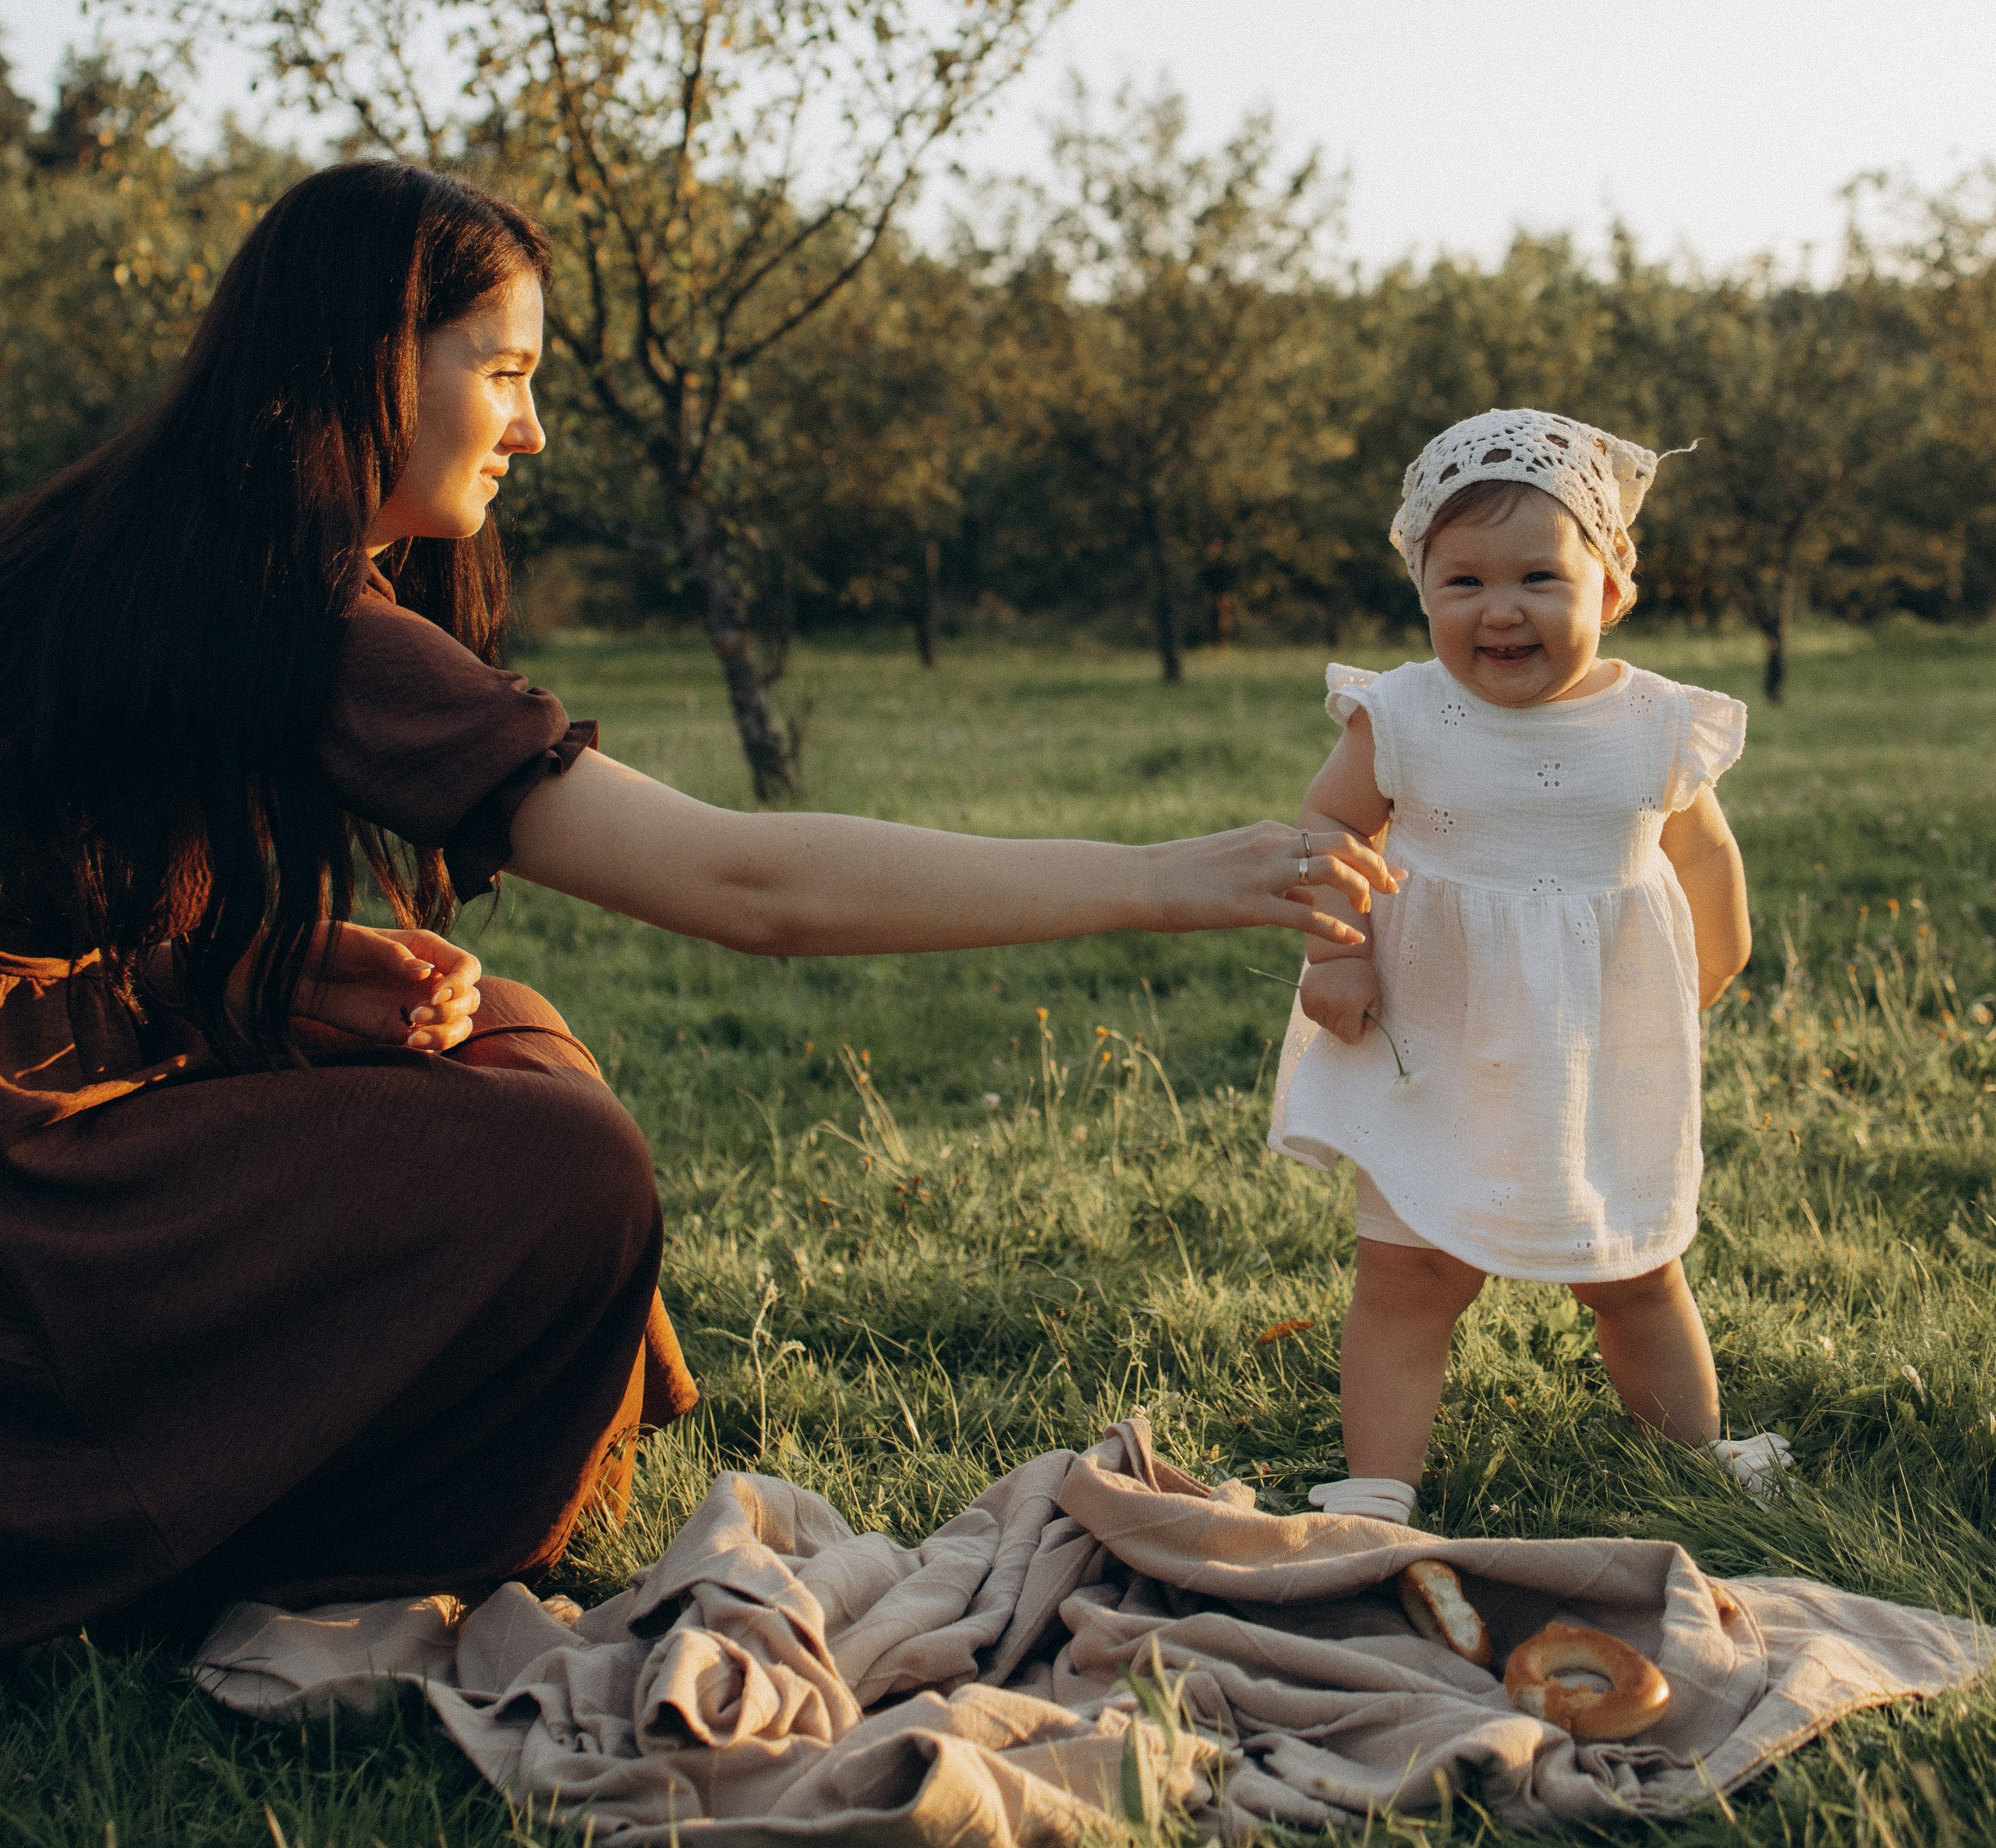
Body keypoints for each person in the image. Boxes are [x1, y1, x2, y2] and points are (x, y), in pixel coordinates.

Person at [0, 162, 1393, 1651]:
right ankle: (273, 1532)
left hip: (60, 1086)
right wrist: (1170, 877)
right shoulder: (293, 607)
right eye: (507, 371)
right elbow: (748, 884)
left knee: (513, 1035)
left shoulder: (149, 539)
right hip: (36, 1199)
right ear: (367, 355)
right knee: (559, 1159)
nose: (530, 427)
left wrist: (275, 964)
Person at [1265, 407, 1791, 1520]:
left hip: (1595, 1051)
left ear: (1610, 590)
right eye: (1463, 582)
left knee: (1633, 1267)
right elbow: (1329, 834)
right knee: (1408, 1274)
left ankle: (1694, 1458)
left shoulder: (1655, 724)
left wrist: (1702, 980)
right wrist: (1338, 953)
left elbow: (1703, 860)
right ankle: (1375, 1490)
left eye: (1540, 579)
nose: (1501, 610)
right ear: (1423, 591)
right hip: (1433, 1037)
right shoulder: (1399, 714)